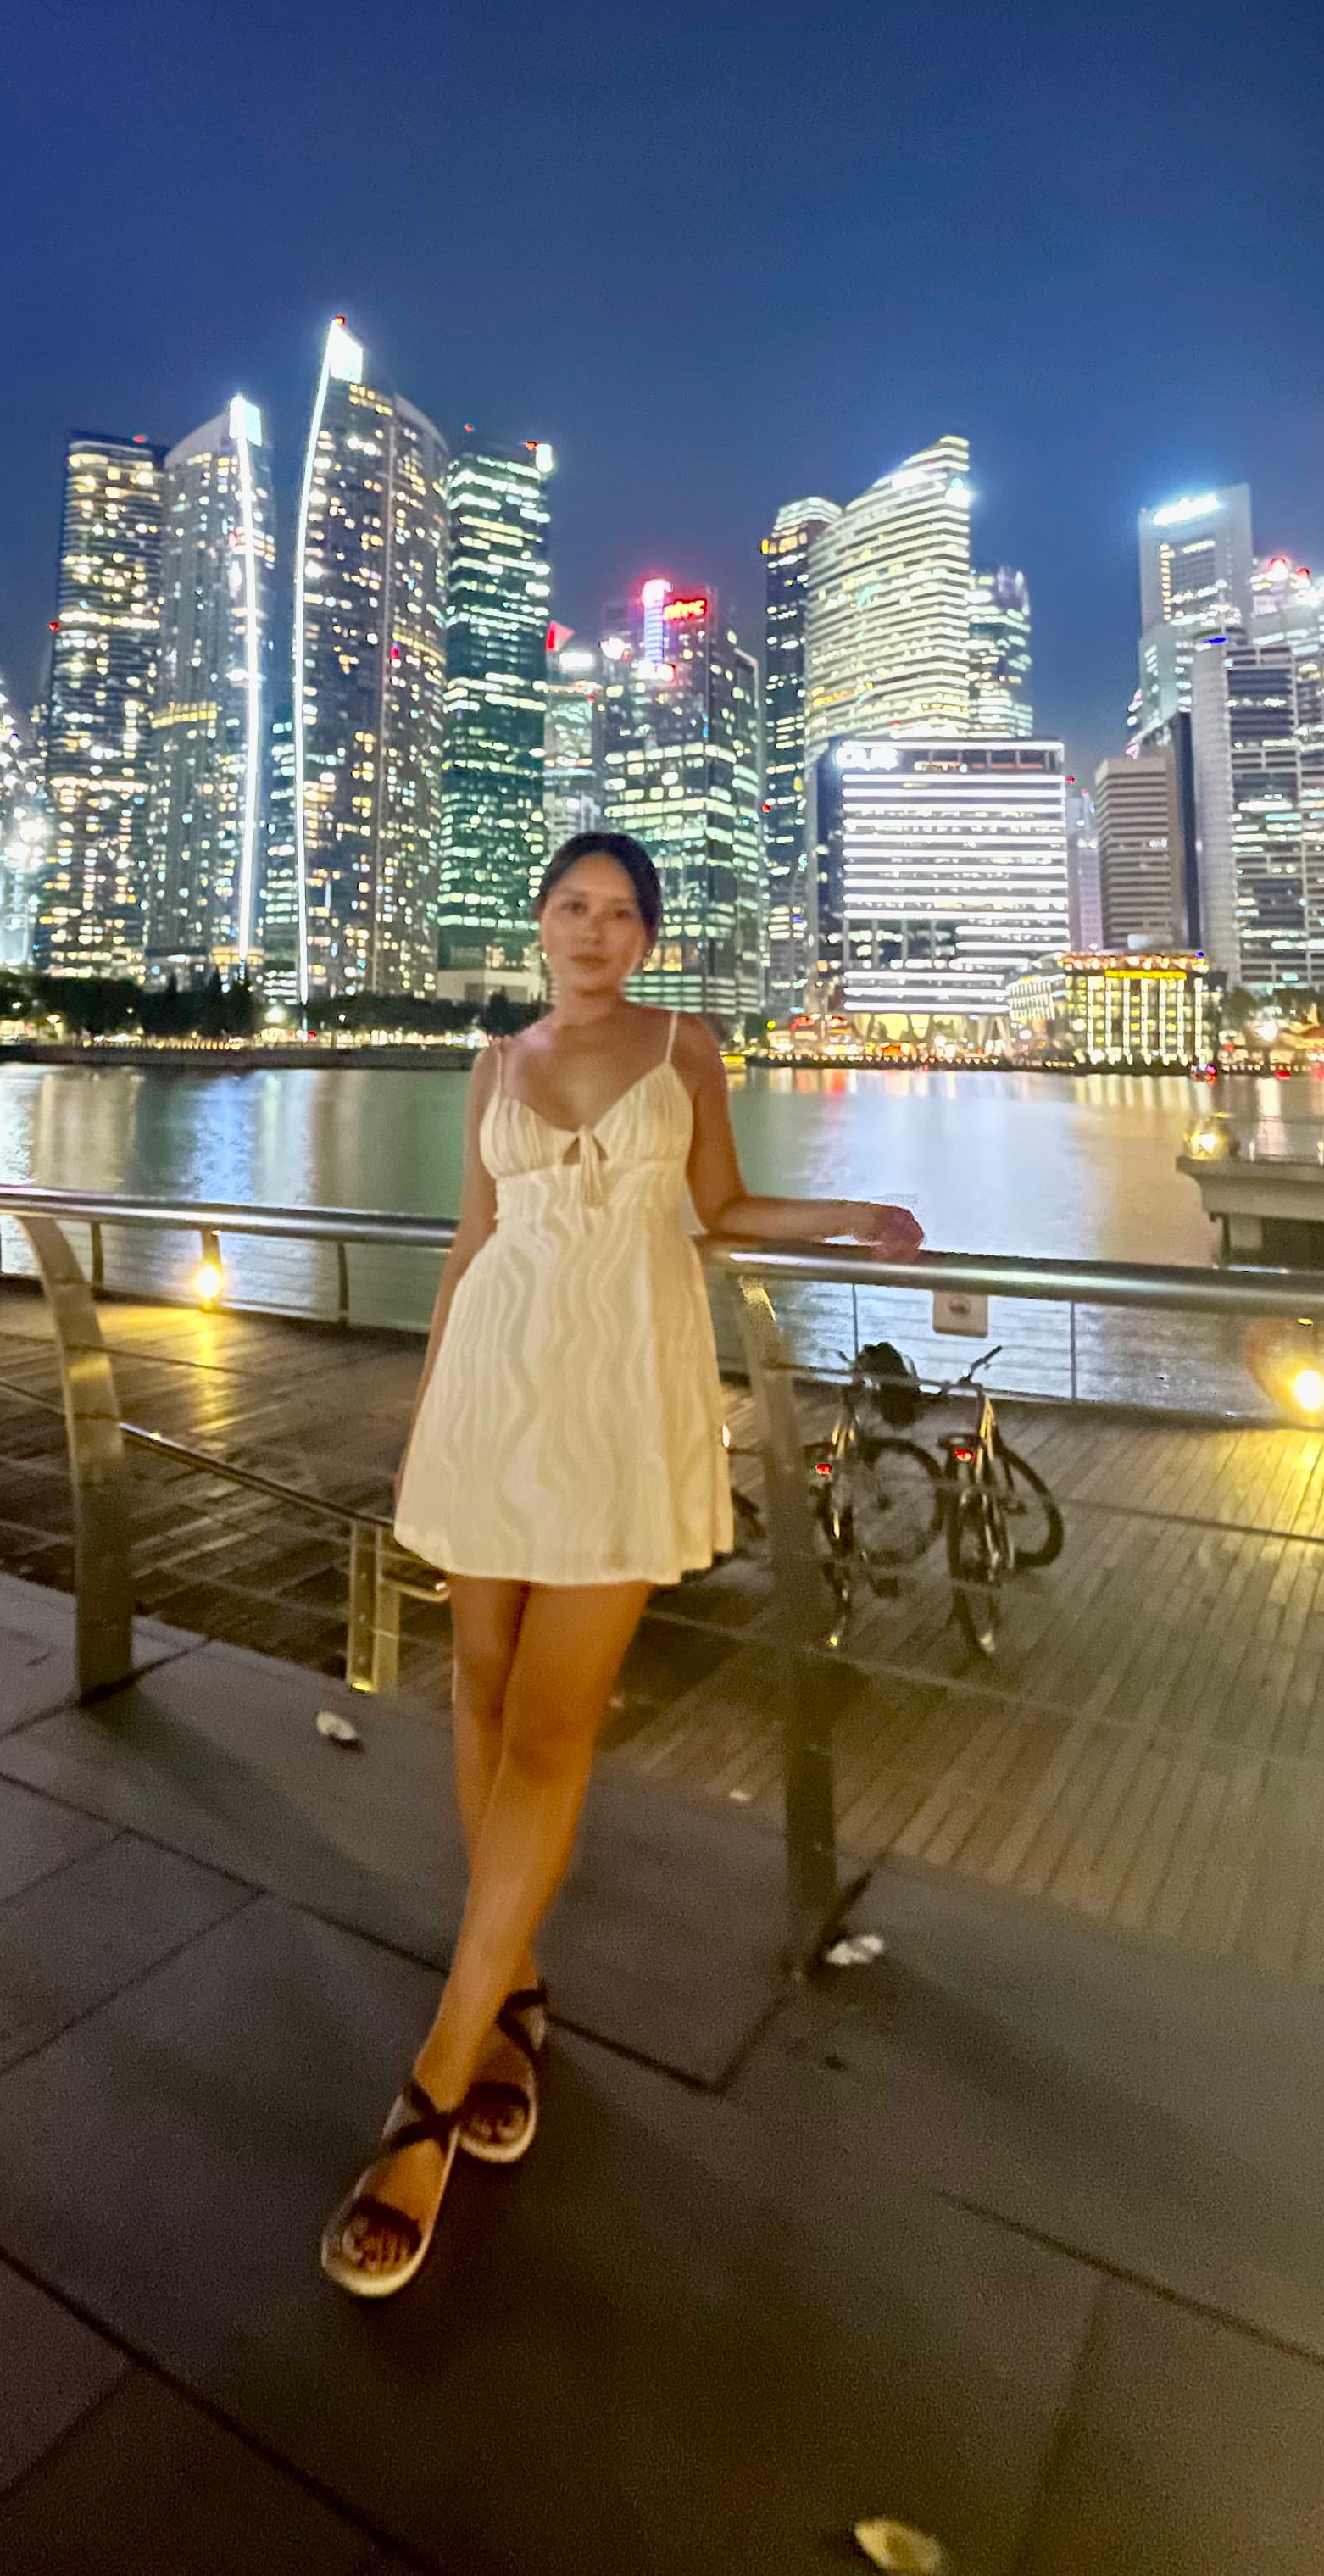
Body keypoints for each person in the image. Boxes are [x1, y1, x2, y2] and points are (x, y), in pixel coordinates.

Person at [319, 828, 925, 2295]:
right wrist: (423, 1419)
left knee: (553, 1722)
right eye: (572, 908)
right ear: (541, 924)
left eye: (620, 914)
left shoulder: (684, 1049)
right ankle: (513, 1993)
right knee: (473, 1683)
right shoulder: (494, 1065)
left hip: (619, 1398)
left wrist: (851, 1216)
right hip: (492, 1391)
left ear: (648, 941)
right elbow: (472, 1244)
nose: (594, 931)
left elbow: (716, 1213)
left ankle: (436, 2086)